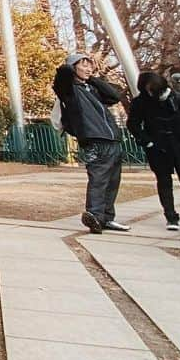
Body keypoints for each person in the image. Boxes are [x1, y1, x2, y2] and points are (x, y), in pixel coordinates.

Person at [51, 52, 128, 235]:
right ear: (73, 68)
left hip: (111, 138)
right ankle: (94, 214)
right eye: (83, 65)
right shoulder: (69, 90)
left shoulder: (91, 88)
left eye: (89, 65)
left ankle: (106, 218)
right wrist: (72, 67)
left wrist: (92, 79)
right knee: (99, 178)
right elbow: (61, 75)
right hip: (94, 140)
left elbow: (114, 96)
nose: (88, 68)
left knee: (113, 180)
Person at [127, 71, 180, 231]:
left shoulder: (177, 98)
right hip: (158, 146)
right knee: (164, 181)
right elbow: (133, 124)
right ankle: (171, 217)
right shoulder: (140, 102)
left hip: (179, 144)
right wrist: (147, 141)